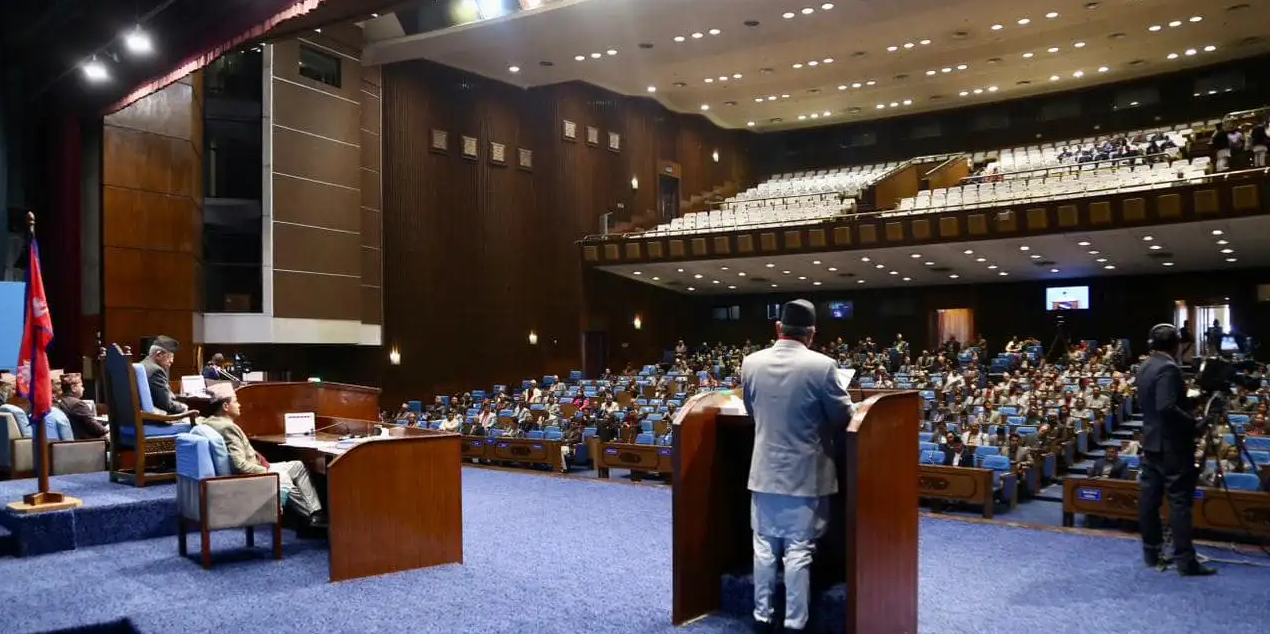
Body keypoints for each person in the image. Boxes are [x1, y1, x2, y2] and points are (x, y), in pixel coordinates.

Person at [741, 299, 853, 634]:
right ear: (812, 333)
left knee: (763, 548)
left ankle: (762, 617)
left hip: (763, 472)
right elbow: (843, 417)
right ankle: (794, 624)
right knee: (798, 552)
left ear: (778, 328)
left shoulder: (751, 363)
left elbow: (751, 410)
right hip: (804, 476)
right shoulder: (823, 366)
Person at [1136, 323, 1215, 576]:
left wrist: (1193, 400)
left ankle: (1151, 552)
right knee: (1180, 502)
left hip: (1151, 442)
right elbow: (1166, 407)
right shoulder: (1169, 368)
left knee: (1149, 499)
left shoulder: (1146, 366)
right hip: (1172, 446)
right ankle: (1185, 561)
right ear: (1176, 344)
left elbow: (1158, 403)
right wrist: (1194, 424)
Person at [200, 391, 327, 528]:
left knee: (297, 466)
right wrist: (265, 470)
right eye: (235, 401)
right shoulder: (228, 427)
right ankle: (313, 518)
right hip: (251, 475)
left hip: (256, 464)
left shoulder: (209, 422)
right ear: (225, 406)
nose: (239, 405)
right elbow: (240, 465)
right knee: (283, 476)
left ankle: (315, 513)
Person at [141, 336, 188, 415]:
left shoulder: (142, 365)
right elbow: (167, 405)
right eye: (170, 357)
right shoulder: (156, 371)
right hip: (157, 419)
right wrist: (183, 407)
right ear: (159, 355)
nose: (172, 361)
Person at [57, 374, 106, 440]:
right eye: (81, 386)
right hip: (85, 441)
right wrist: (107, 430)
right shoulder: (78, 404)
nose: (83, 389)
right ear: (73, 388)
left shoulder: (61, 401)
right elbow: (94, 426)